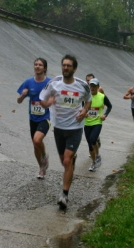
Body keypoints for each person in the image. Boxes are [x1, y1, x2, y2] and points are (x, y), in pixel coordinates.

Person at [40, 54, 92, 210]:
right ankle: (70, 165)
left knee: (67, 160)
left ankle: (64, 195)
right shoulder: (53, 83)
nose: (66, 68)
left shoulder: (83, 85)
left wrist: (85, 110)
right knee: (65, 162)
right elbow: (42, 100)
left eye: (69, 65)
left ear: (74, 68)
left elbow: (88, 100)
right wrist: (47, 103)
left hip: (75, 128)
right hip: (58, 128)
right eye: (64, 65)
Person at [17, 58, 51, 179]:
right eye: (35, 64)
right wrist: (22, 95)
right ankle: (41, 168)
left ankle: (45, 156)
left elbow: (57, 98)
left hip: (45, 117)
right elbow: (19, 101)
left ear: (45, 68)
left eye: (40, 65)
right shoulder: (28, 82)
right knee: (35, 145)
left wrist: (49, 103)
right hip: (33, 118)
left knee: (37, 140)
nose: (37, 67)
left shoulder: (50, 83)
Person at [84, 78, 112, 171]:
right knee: (89, 144)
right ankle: (94, 162)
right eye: (91, 85)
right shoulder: (86, 96)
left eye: (94, 86)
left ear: (97, 87)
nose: (92, 87)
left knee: (93, 139)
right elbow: (79, 106)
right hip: (87, 123)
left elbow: (110, 106)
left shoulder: (102, 96)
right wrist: (84, 112)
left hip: (97, 122)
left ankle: (98, 155)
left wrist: (105, 114)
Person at [85, 73, 103, 148]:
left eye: (90, 80)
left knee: (93, 136)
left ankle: (96, 139)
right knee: (89, 136)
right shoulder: (85, 89)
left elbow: (103, 99)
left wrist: (101, 109)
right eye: (87, 81)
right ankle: (92, 148)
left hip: (97, 116)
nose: (88, 82)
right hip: (88, 117)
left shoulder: (100, 89)